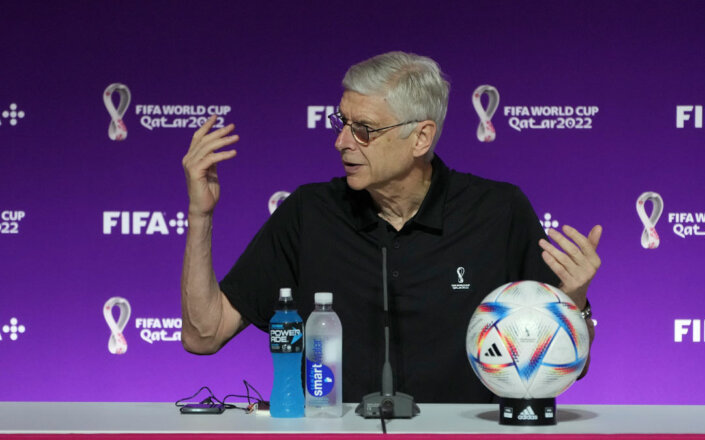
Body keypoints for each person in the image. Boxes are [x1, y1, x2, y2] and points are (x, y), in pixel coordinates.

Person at [180, 51, 601, 403]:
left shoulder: (498, 211)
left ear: (421, 138)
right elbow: (204, 334)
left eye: (363, 130)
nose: (342, 142)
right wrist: (200, 215)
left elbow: (570, 366)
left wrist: (576, 301)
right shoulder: (309, 212)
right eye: (341, 123)